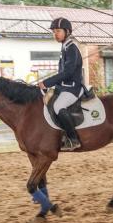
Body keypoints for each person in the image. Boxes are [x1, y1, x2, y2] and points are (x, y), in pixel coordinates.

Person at [39, 17, 84, 150]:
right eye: (54, 32)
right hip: (63, 87)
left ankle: (74, 139)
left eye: (58, 31)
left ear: (67, 31)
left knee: (58, 106)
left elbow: (68, 73)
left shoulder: (71, 48)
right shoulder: (65, 47)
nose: (55, 34)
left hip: (72, 88)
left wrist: (47, 83)